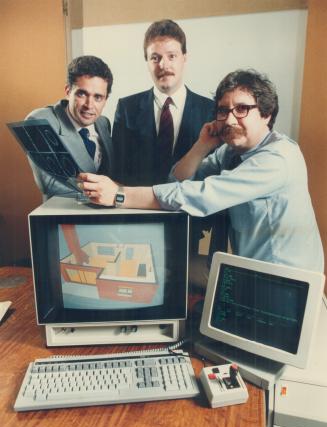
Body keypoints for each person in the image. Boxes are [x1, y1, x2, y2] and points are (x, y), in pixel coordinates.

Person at [79, 69, 324, 273]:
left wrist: (119, 195)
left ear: (266, 114)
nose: (229, 120)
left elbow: (200, 195)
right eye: (223, 110)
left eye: (241, 109)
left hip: (288, 279)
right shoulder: (230, 152)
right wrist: (202, 145)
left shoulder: (278, 158)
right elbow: (177, 178)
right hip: (252, 272)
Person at [112, 19, 215, 186]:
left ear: (184, 58)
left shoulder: (210, 110)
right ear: (147, 62)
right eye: (155, 58)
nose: (163, 65)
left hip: (192, 209)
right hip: (139, 209)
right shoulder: (126, 109)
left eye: (171, 56)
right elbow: (118, 171)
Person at [26, 55, 114, 199]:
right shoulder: (39, 121)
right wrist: (114, 191)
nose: (89, 105)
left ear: (105, 99)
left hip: (106, 215)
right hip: (65, 216)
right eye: (82, 94)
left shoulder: (104, 123)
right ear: (68, 91)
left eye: (98, 97)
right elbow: (49, 184)